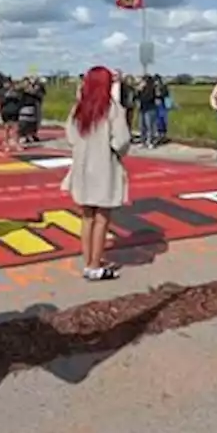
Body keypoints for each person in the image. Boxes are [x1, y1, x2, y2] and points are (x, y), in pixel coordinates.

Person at [61, 66, 130, 281]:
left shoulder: (79, 109)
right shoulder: (113, 109)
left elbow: (71, 137)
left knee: (87, 217)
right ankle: (94, 265)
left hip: (82, 167)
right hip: (104, 168)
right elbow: (121, 142)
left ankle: (88, 260)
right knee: (102, 219)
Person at [137, 74, 160, 147]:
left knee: (149, 126)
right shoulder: (141, 89)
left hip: (150, 109)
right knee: (142, 126)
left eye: (143, 80)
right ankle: (143, 141)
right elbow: (137, 97)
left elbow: (149, 98)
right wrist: (139, 90)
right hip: (142, 109)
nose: (142, 82)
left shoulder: (152, 88)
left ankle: (150, 141)